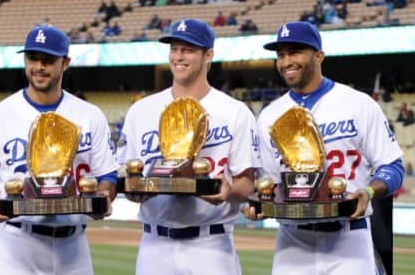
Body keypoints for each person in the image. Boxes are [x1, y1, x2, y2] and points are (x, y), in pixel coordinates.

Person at [242, 21, 405, 274]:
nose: (286, 62)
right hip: (291, 240)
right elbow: (269, 182)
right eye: (281, 55)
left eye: (294, 52)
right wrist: (257, 202)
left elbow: (393, 167)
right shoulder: (269, 116)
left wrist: (368, 192)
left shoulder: (357, 104)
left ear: (319, 56)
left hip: (349, 240)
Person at [0, 25, 119, 275]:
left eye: (48, 60)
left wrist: (103, 196)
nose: (39, 66)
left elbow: (108, 177)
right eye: (33, 58)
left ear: (65, 63)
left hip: (73, 244)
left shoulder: (90, 115)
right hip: (15, 243)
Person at [116, 18, 260, 275]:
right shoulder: (141, 111)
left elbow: (247, 182)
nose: (179, 57)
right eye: (174, 48)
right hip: (154, 245)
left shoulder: (235, 112)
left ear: (209, 55)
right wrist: (134, 191)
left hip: (211, 245)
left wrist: (228, 191)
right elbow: (127, 175)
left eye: (189, 50)